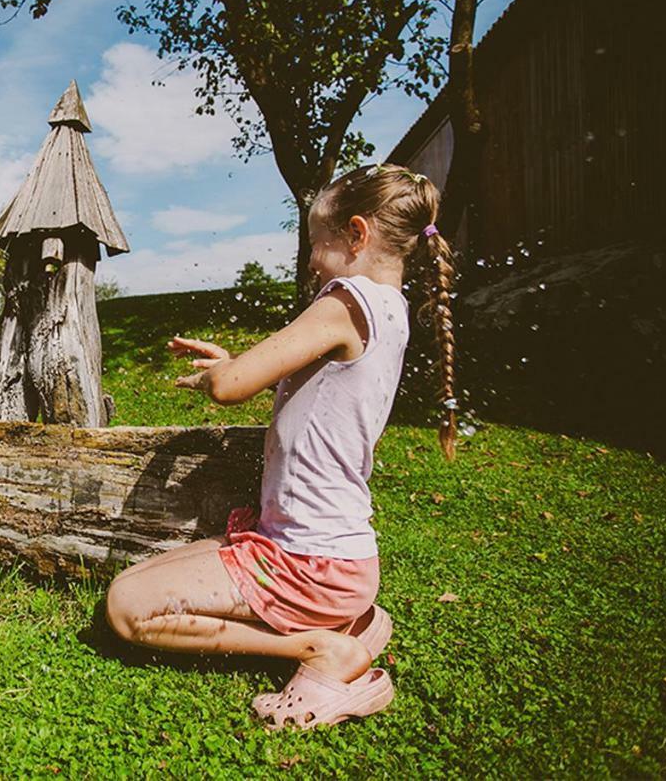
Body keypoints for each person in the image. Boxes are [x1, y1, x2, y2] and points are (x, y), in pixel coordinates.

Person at [104, 164, 457, 729]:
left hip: (309, 562)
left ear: (357, 235)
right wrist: (233, 364)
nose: (312, 259)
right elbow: (311, 377)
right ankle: (349, 621)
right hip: (330, 553)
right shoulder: (389, 308)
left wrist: (223, 374)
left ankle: (319, 650)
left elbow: (229, 390)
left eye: (317, 243)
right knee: (134, 583)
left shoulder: (346, 298)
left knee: (126, 609)